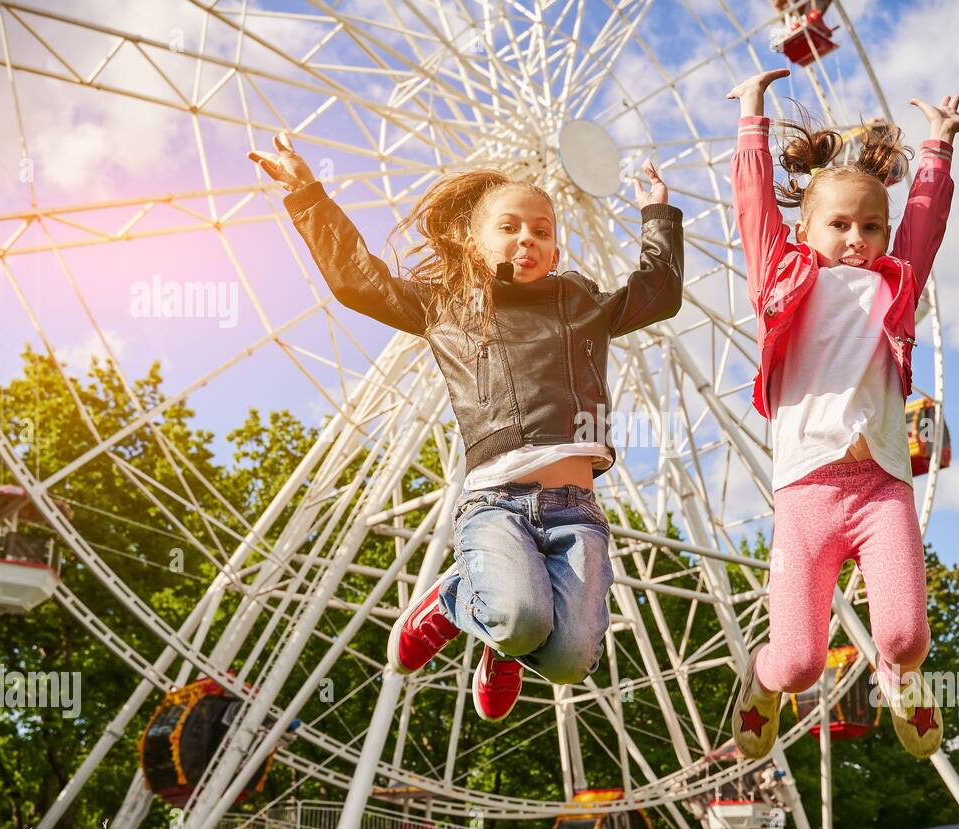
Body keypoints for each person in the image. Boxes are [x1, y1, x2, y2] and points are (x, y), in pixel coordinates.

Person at [248, 132, 683, 722]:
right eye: (509, 227)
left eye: (542, 231)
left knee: (566, 663)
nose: (527, 238)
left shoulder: (586, 306)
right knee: (519, 618)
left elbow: (659, 293)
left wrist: (657, 212)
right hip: (496, 502)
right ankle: (458, 602)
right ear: (472, 242)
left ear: (556, 250)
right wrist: (307, 193)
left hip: (578, 508)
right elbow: (357, 281)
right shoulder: (444, 306)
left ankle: (496, 641)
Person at [725, 69, 959, 759]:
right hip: (806, 491)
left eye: (872, 226)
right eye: (839, 225)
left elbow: (926, 229)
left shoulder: (894, 286)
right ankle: (762, 677)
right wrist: (752, 116)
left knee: (906, 637)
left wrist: (937, 148)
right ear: (804, 228)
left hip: (881, 485)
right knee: (801, 663)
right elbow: (753, 209)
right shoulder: (781, 278)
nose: (857, 239)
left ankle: (899, 677)